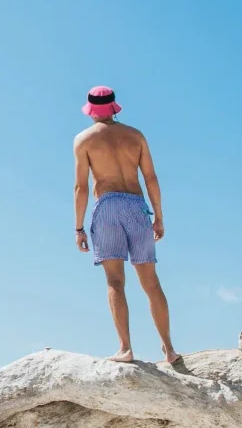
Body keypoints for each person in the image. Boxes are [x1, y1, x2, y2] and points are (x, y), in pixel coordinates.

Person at [73, 86, 178, 364]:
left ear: (91, 110)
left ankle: (125, 348)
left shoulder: (83, 140)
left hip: (107, 206)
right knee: (151, 282)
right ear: (113, 107)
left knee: (115, 281)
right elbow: (151, 178)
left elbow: (81, 187)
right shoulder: (136, 136)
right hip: (136, 206)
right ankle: (169, 349)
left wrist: (79, 227)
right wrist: (158, 216)